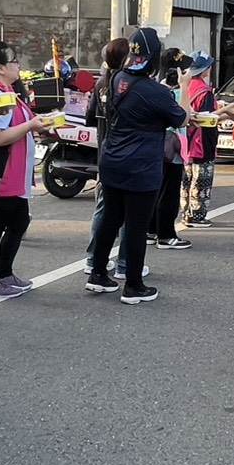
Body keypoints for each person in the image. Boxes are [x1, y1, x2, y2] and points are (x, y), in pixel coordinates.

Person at [85, 27, 187, 305]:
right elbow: (182, 118)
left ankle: (97, 273)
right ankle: (133, 285)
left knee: (110, 218)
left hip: (112, 159)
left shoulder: (115, 77)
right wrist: (185, 86)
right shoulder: (154, 91)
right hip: (141, 165)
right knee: (136, 225)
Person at [0, 41, 47, 297]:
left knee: (15, 222)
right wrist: (31, 126)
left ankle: (3, 275)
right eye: (14, 61)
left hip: (10, 171)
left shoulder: (6, 91)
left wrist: (37, 126)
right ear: (1, 67)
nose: (18, 65)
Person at [84, 37, 147, 284]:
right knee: (128, 214)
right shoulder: (130, 85)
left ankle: (93, 260)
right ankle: (124, 263)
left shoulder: (102, 83)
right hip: (128, 158)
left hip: (105, 154)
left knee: (105, 210)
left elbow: (90, 117)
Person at [153, 50, 193, 247]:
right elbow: (184, 118)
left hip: (157, 145)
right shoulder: (173, 92)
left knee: (157, 189)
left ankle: (151, 230)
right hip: (172, 147)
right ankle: (166, 235)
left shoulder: (156, 88)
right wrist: (185, 86)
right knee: (169, 192)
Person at [181, 51, 219, 229]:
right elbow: (207, 118)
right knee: (202, 179)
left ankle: (185, 213)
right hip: (202, 141)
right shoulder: (205, 92)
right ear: (205, 70)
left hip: (184, 142)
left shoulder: (185, 86)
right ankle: (197, 216)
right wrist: (226, 113)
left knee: (187, 179)